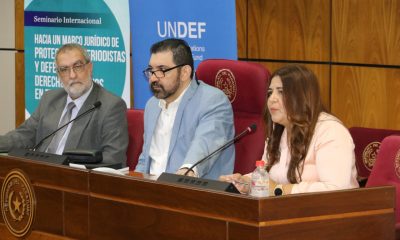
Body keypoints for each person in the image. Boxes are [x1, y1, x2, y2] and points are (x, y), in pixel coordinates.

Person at [220, 64, 359, 195]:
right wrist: (246, 182)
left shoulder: (330, 131)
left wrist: (280, 190)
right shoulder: (279, 129)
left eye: (281, 92)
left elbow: (335, 190)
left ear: (302, 96)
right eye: (270, 93)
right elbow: (269, 176)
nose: (272, 99)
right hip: (285, 212)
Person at [0, 43, 129, 167]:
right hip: (39, 174)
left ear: (90, 68)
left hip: (74, 181)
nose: (72, 75)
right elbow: (24, 135)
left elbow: (113, 158)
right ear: (58, 75)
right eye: (64, 70)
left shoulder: (110, 106)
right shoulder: (49, 99)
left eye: (77, 66)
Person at [134, 38, 235, 180]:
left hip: (192, 193)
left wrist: (187, 170)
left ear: (185, 72)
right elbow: (146, 159)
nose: (153, 78)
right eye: (151, 70)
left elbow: (204, 144)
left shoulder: (212, 101)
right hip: (152, 192)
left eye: (162, 70)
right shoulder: (152, 105)